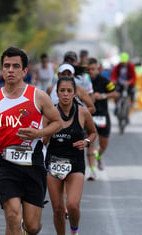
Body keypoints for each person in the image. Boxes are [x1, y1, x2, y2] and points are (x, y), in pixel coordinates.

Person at [0, 47, 62, 235]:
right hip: (6, 166)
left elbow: (58, 123)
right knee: (13, 216)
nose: (10, 70)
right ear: (1, 69)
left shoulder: (37, 97)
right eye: (6, 66)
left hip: (34, 164)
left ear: (24, 71)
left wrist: (38, 133)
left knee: (32, 226)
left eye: (16, 66)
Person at [44, 77, 96, 235]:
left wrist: (86, 141)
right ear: (57, 93)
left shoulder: (83, 112)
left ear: (75, 93)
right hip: (54, 162)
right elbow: (42, 141)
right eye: (62, 91)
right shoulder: (49, 113)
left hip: (75, 163)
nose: (65, 94)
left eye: (69, 91)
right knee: (58, 209)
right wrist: (47, 133)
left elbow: (93, 132)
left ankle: (74, 231)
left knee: (72, 205)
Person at [86, 57, 118, 177]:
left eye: (93, 69)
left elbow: (115, 93)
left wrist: (102, 95)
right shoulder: (84, 81)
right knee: (90, 142)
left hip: (102, 115)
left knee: (104, 144)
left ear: (97, 68)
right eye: (88, 69)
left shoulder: (104, 80)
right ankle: (92, 170)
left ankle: (98, 156)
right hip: (89, 115)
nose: (91, 72)